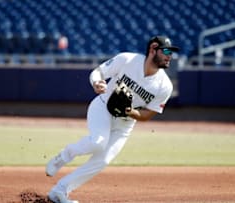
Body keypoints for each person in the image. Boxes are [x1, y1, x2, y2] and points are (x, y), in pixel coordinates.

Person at [45, 35, 179, 203]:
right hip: (103, 106)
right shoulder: (128, 60)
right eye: (166, 51)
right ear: (153, 49)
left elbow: (146, 115)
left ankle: (60, 191)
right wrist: (96, 83)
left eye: (171, 53)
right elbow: (98, 72)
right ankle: (64, 156)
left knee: (102, 160)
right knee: (98, 142)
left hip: (125, 123)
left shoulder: (164, 86)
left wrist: (129, 111)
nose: (169, 56)